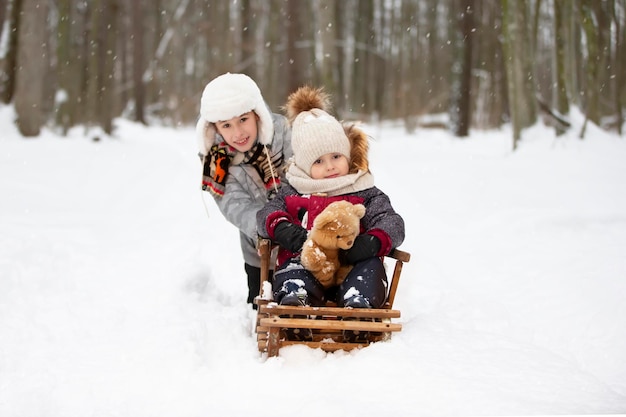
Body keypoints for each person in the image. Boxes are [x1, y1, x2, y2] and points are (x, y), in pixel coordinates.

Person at [256, 86, 405, 342]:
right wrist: (282, 228)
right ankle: (296, 305)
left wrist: (372, 242)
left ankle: (359, 307)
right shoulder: (293, 191)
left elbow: (392, 221)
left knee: (369, 269)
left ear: (347, 154)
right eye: (318, 161)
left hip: (351, 263)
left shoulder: (363, 189)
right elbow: (265, 214)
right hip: (309, 261)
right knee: (293, 270)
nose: (330, 167)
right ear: (304, 165)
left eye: (336, 156)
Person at [196, 73, 292, 308]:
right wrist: (267, 226)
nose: (238, 133)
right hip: (258, 246)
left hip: (298, 237)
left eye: (243, 119)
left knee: (300, 296)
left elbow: (299, 174)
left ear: (256, 113)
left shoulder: (281, 132)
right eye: (226, 125)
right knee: (262, 304)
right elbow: (233, 204)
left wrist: (292, 220)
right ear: (214, 127)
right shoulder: (215, 159)